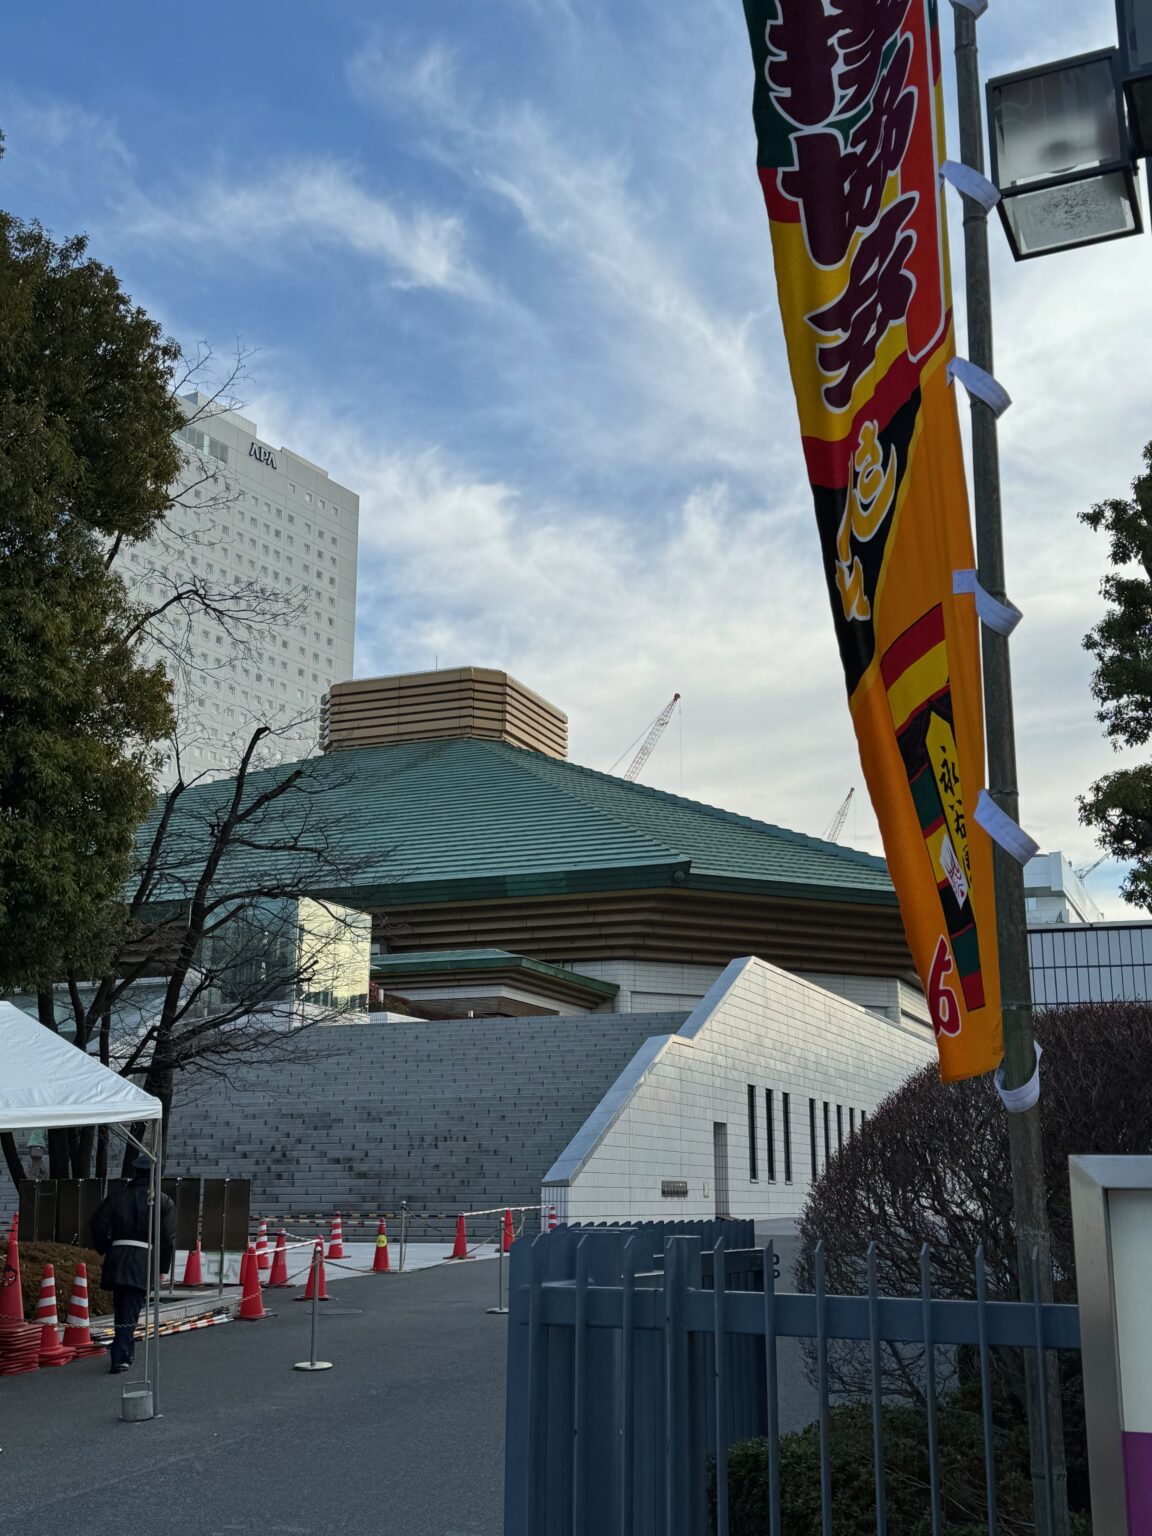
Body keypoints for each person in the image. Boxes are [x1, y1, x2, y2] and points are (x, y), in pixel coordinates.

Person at [89, 1154, 176, 1375]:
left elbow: (96, 1224)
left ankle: (124, 1350)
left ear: (135, 1173)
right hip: (142, 1258)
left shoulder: (117, 1198)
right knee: (130, 1309)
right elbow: (166, 1239)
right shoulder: (162, 1201)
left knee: (123, 1307)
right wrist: (162, 1268)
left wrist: (106, 1247)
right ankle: (121, 1355)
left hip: (118, 1255)